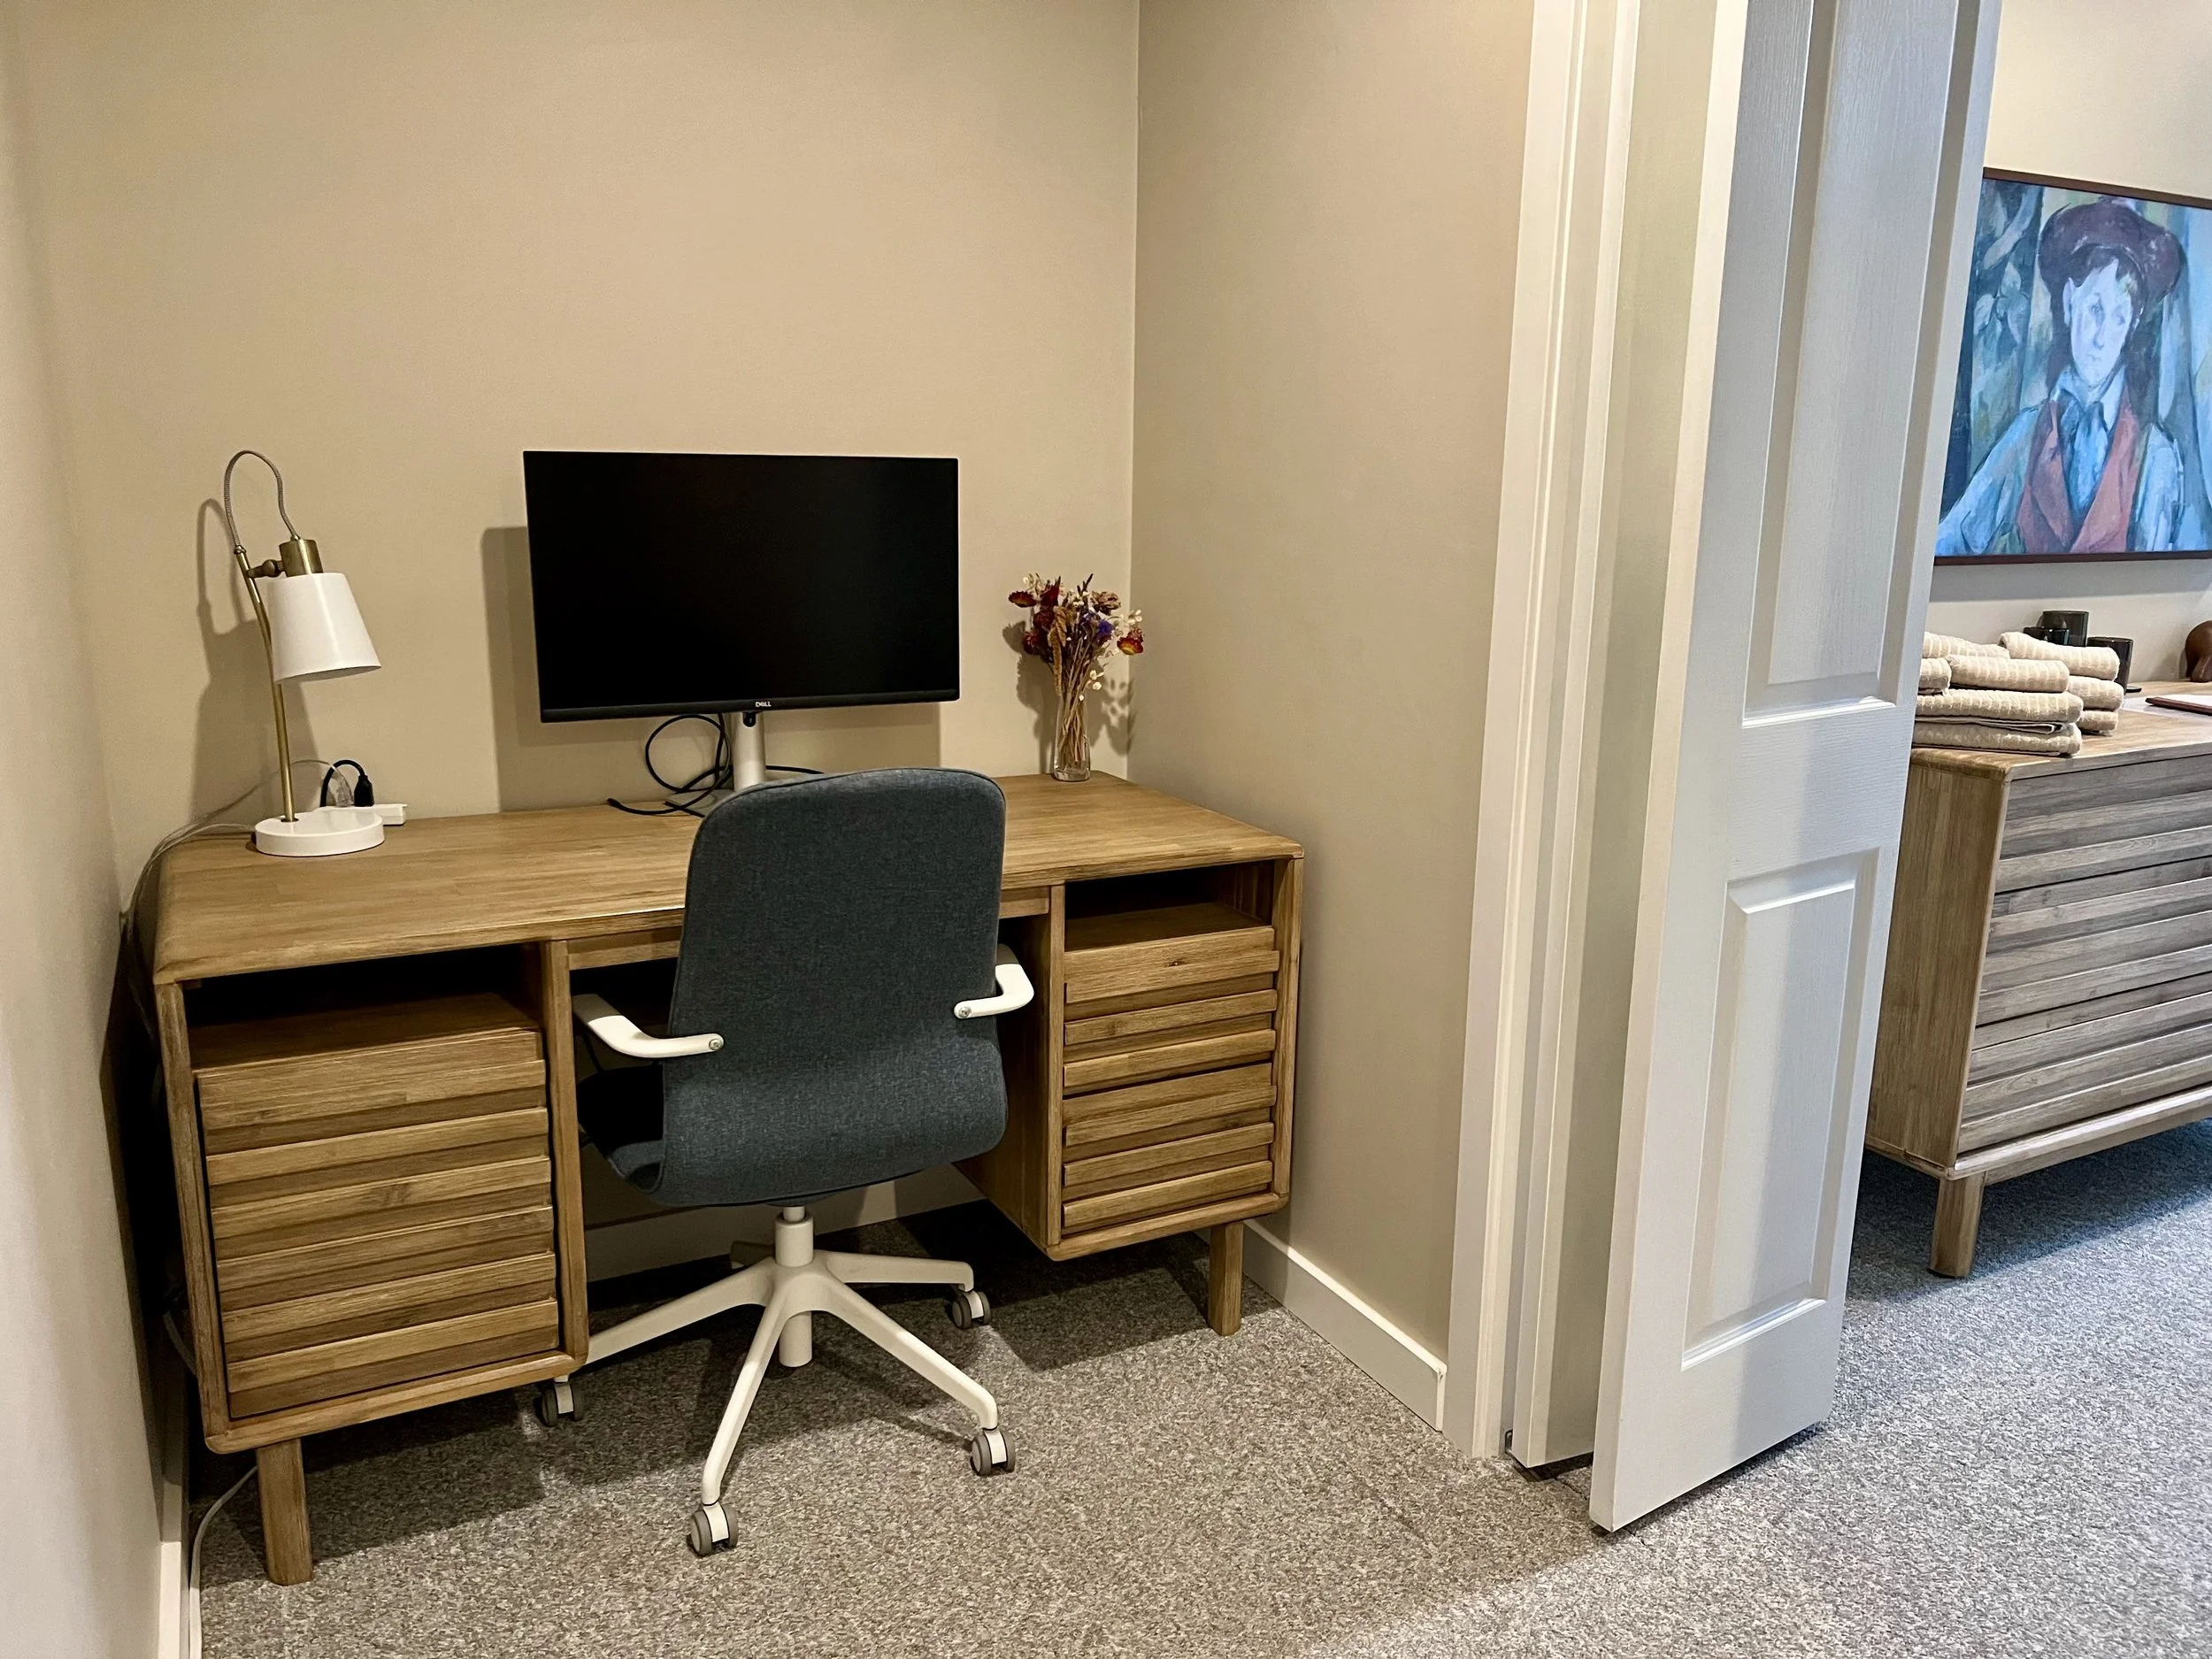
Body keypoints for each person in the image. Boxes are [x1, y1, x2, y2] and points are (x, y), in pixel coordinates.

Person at [1937, 197, 2189, 556]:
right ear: (2070, 301)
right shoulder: (2025, 436)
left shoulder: (2156, 456)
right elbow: (1950, 541)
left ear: (2132, 326)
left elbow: (2155, 578)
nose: (2102, 337)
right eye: (2096, 309)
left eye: (2119, 318)